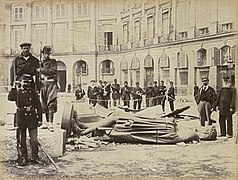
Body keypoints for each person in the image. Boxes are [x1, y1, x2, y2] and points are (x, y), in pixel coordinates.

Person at [9, 42, 42, 166]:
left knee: (33, 137)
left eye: (27, 48)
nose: (25, 50)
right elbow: (13, 73)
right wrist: (14, 85)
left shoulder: (35, 60)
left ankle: (34, 156)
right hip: (19, 83)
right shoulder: (16, 60)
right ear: (21, 49)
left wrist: (37, 87)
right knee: (21, 137)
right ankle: (23, 157)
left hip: (31, 83)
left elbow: (37, 76)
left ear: (30, 49)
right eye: (23, 48)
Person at [37, 46, 58, 132]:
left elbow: (52, 71)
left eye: (48, 54)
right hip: (43, 84)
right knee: (44, 104)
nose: (46, 55)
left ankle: (51, 124)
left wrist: (41, 70)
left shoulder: (53, 62)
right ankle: (46, 123)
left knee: (51, 103)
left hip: (51, 83)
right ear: (43, 54)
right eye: (45, 53)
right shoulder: (40, 62)